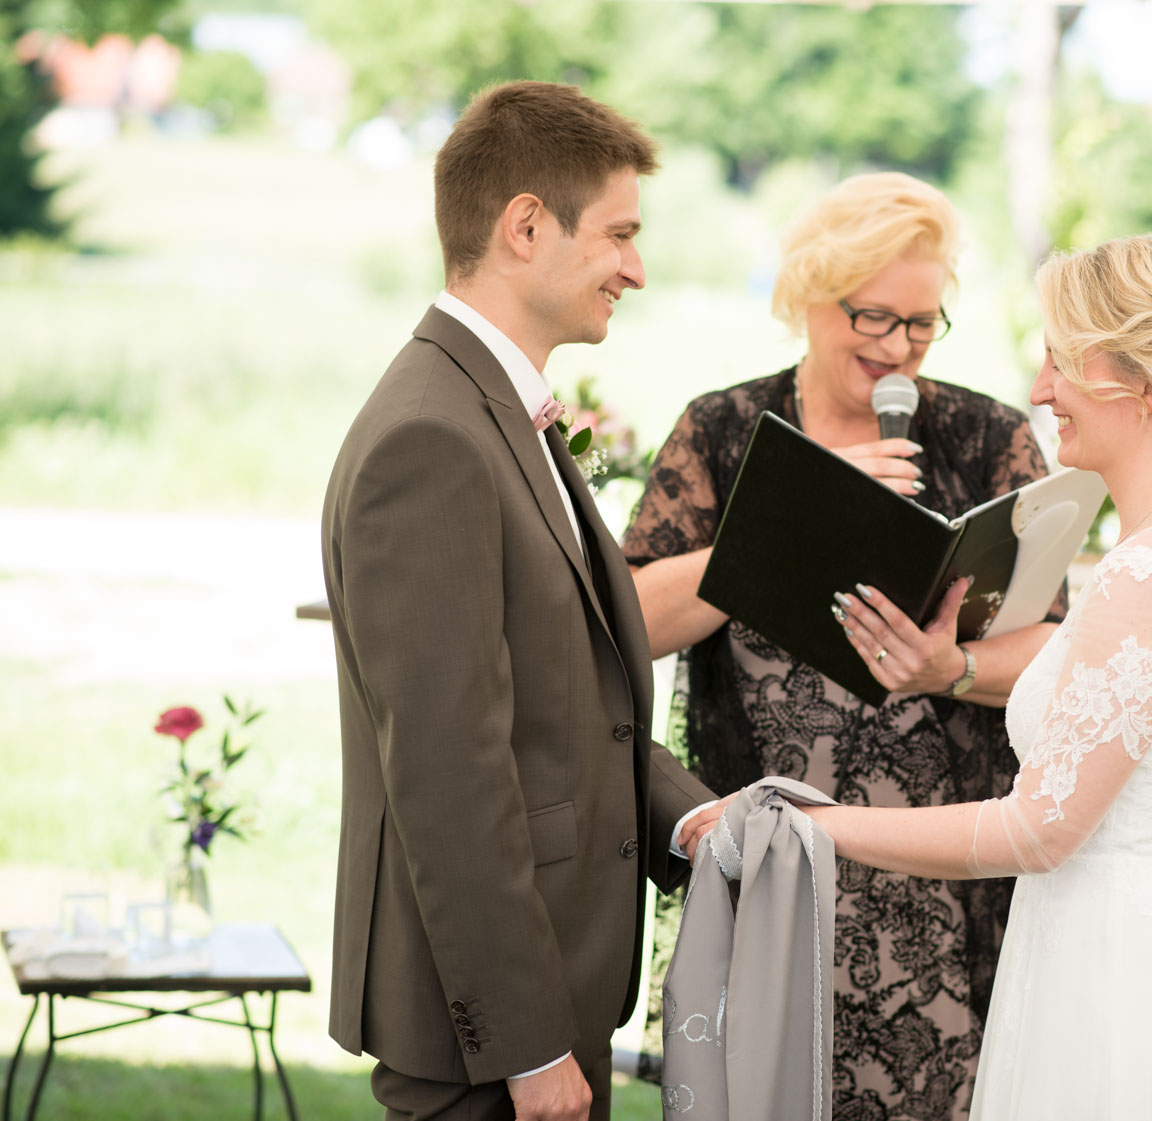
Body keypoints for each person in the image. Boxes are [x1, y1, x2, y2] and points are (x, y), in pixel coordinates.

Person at [800, 231, 1152, 1119]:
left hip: (1119, 980)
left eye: (1061, 362)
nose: (1038, 391)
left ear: (1141, 384)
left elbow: (1036, 832)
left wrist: (821, 830)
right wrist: (951, 667)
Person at [622, 172, 1063, 1117]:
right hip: (775, 874)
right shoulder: (724, 431)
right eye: (872, 317)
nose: (897, 348)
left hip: (942, 896)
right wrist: (791, 519)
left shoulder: (986, 437)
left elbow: (1057, 654)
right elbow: (631, 621)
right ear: (808, 296)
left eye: (921, 322)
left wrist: (957, 668)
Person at [320, 81, 718, 1121]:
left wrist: (690, 819)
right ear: (527, 226)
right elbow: (450, 767)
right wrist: (529, 1042)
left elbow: (568, 696)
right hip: (486, 1029)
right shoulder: (432, 439)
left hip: (548, 979)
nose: (637, 267)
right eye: (620, 234)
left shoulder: (497, 407)